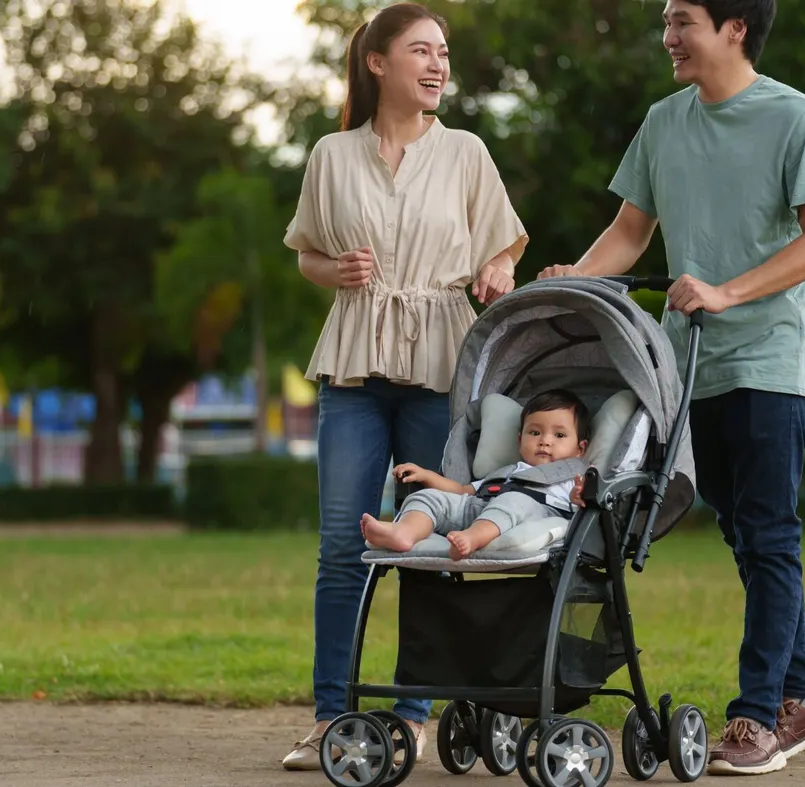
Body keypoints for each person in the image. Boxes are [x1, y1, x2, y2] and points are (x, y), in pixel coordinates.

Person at [538, 0, 805, 776]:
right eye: (668, 22)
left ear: (735, 27)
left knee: (770, 531)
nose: (668, 36)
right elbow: (631, 230)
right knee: (743, 532)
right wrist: (572, 277)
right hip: (689, 364)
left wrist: (728, 292)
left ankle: (756, 717)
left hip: (769, 358)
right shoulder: (664, 121)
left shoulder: (794, 117)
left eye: (683, 21)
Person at [279, 1, 529, 771]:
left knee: (428, 548)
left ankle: (411, 716)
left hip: (439, 372)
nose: (438, 65)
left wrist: (499, 270)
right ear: (378, 62)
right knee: (341, 549)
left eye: (443, 53)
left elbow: (507, 244)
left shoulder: (466, 154)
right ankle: (331, 716)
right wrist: (336, 270)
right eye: (421, 50)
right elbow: (307, 256)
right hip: (353, 372)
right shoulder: (331, 154)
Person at [361, 389, 589, 560]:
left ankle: (471, 538)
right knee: (429, 497)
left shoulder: (574, 475)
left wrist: (580, 496)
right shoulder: (508, 471)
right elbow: (463, 490)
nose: (545, 441)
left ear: (580, 448)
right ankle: (404, 532)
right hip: (482, 506)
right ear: (520, 441)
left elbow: (580, 502)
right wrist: (427, 475)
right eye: (535, 432)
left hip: (532, 513)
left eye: (559, 435)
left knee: (514, 500)